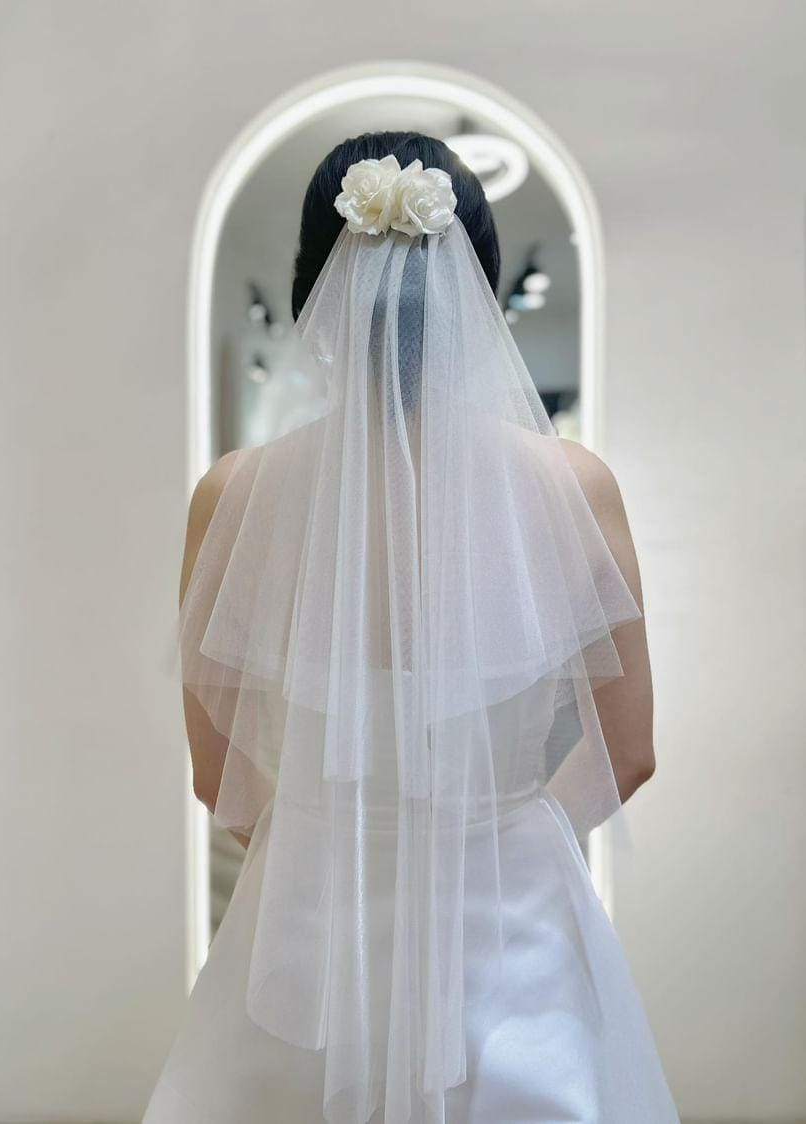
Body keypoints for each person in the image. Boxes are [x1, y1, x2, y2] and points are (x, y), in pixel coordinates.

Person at [143, 132, 679, 1123]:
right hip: (511, 911)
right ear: (478, 291)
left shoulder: (233, 495)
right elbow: (629, 748)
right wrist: (505, 834)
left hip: (308, 918)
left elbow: (218, 774)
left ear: (317, 290)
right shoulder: (573, 485)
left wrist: (326, 829)